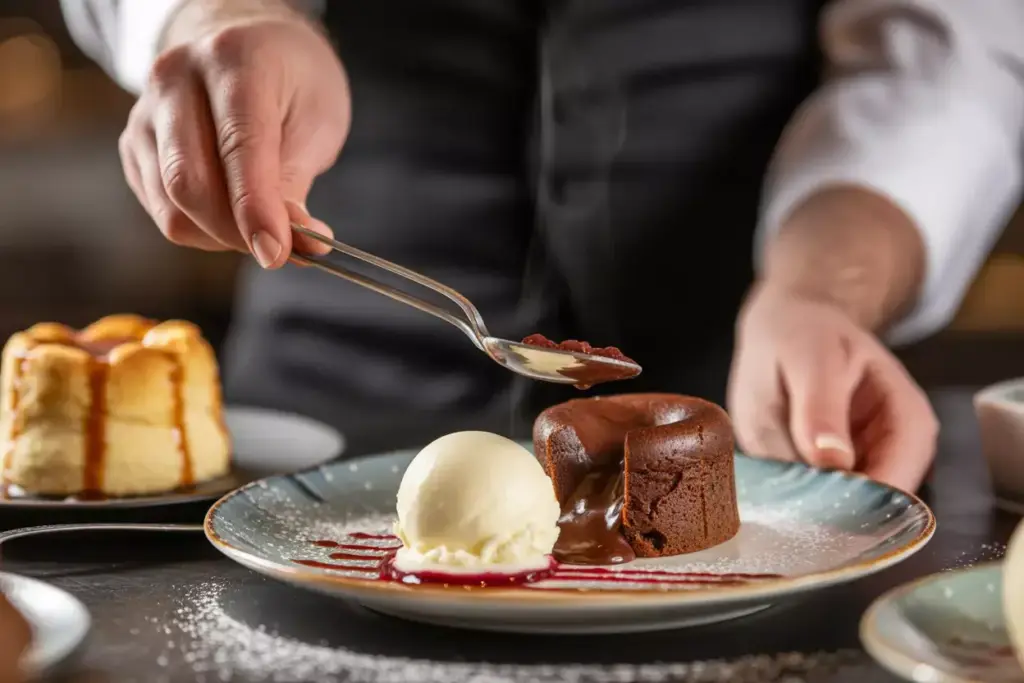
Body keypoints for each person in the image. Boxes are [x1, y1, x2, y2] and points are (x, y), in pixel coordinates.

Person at [60, 0, 1024, 491]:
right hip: (307, 434)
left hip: (744, 439)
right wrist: (222, 18)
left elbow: (953, 53)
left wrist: (820, 289)